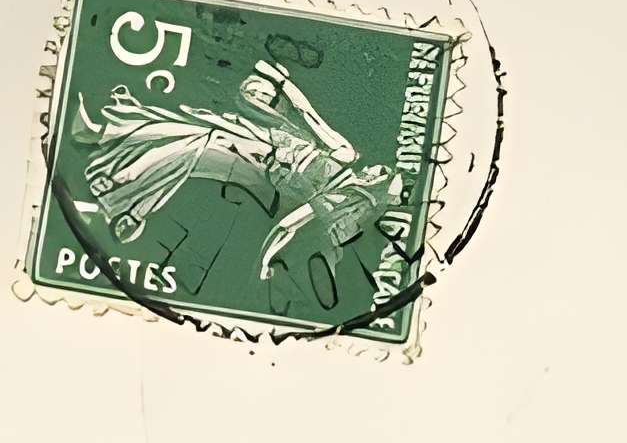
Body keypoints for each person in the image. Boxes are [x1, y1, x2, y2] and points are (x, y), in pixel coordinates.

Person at [75, 57, 402, 282]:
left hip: (260, 161)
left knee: (199, 142)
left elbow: (287, 227)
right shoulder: (345, 153)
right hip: (269, 135)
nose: (376, 168)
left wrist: (263, 262)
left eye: (382, 173)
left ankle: (120, 175)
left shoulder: (334, 199)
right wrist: (282, 82)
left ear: (374, 187)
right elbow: (309, 115)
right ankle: (112, 150)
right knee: (193, 124)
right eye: (384, 167)